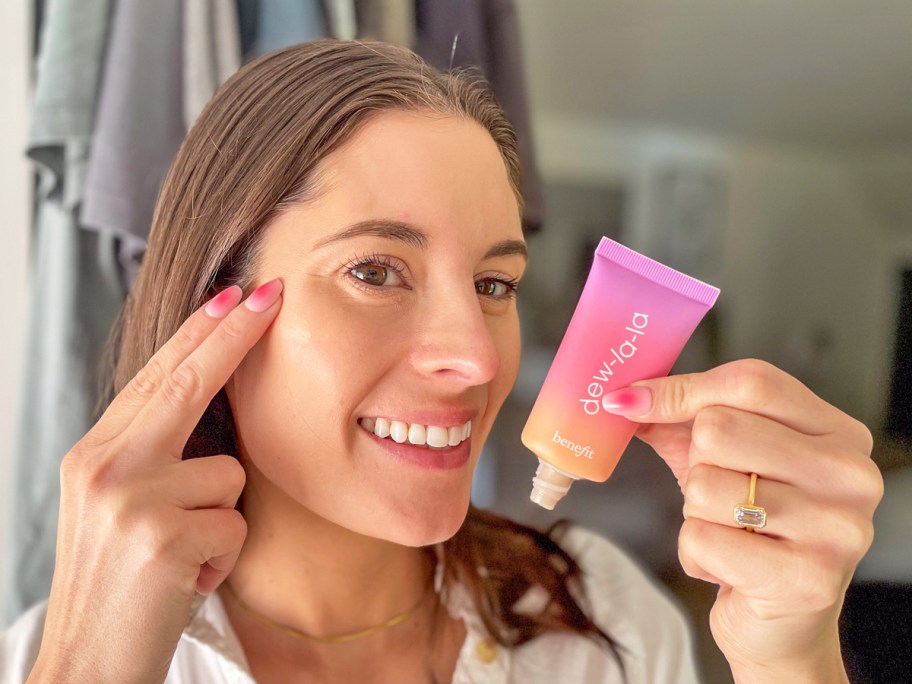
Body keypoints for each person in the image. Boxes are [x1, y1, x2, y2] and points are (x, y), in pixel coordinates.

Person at [1, 40, 880, 683]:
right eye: (375, 271)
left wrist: (793, 661)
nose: (474, 354)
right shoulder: (69, 655)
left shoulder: (598, 620)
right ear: (212, 313)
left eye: (495, 283)